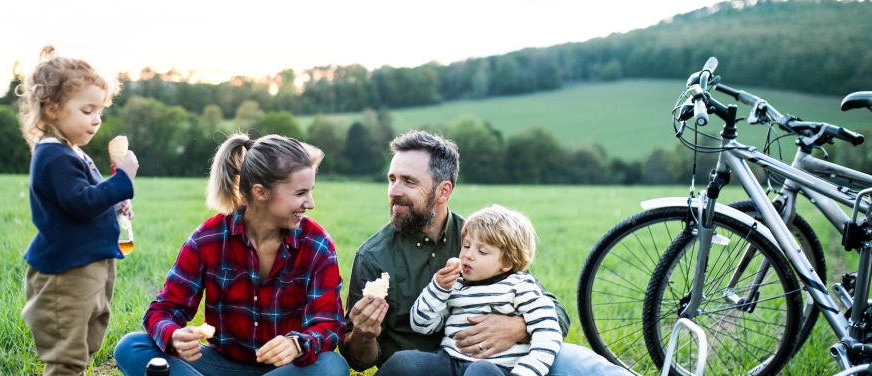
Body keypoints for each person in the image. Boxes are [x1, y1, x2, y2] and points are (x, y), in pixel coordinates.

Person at [341, 130, 631, 376]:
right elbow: (358, 359)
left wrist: (517, 328)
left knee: (577, 363)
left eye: (408, 181)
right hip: (428, 368)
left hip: (499, 364)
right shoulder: (373, 257)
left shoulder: (483, 238)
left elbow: (552, 310)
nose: (394, 191)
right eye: (392, 179)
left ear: (443, 191)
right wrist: (364, 335)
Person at [113, 133, 349, 376]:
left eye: (310, 191)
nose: (310, 203)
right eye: (300, 193)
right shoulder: (208, 239)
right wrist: (172, 334)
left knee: (332, 365)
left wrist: (296, 344)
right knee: (132, 347)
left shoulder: (317, 245)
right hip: (220, 365)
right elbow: (164, 309)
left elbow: (329, 324)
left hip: (287, 370)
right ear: (260, 192)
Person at [18, 45, 138, 376]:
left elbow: (88, 199)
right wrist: (123, 180)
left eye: (99, 111)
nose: (97, 120)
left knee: (85, 344)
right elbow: (80, 203)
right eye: (87, 110)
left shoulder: (71, 152)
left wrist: (114, 202)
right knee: (66, 356)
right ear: (52, 109)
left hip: (90, 265)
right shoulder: (53, 156)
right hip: (66, 274)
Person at [377, 205, 563, 376]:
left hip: (497, 369)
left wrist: (526, 372)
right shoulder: (457, 284)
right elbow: (421, 325)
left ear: (507, 263)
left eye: (482, 252)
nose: (468, 255)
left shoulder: (520, 287)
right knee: (403, 361)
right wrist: (438, 288)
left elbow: (548, 332)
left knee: (480, 370)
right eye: (466, 246)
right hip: (449, 362)